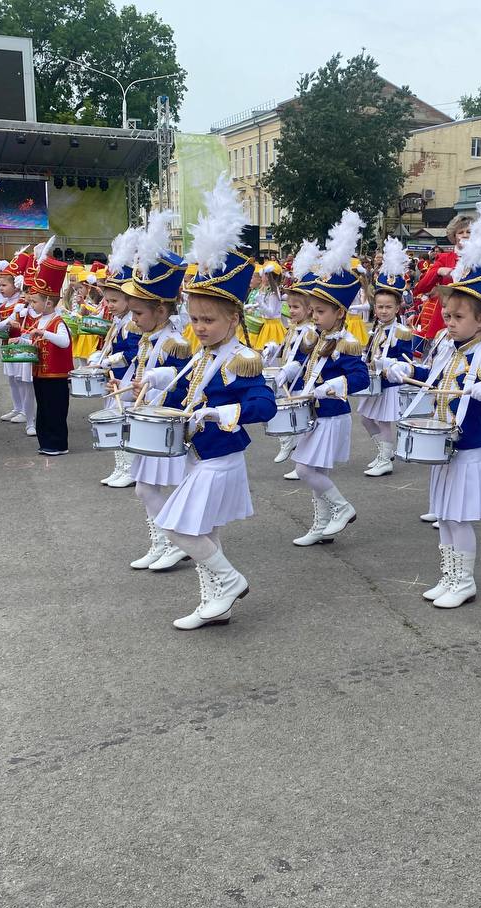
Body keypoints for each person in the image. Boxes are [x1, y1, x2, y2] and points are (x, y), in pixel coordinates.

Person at [385, 202, 481, 608]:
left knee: (460, 518)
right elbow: (427, 376)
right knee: (444, 516)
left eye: (457, 316)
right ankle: (448, 575)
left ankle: (463, 580)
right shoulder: (448, 348)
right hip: (444, 445)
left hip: (469, 449)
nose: (447, 320)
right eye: (446, 314)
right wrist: (400, 367)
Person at [154, 175, 277, 630]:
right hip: (198, 454)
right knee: (206, 532)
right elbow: (180, 397)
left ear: (233, 317)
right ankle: (216, 604)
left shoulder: (241, 358)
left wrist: (222, 413)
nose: (199, 326)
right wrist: (157, 385)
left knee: (179, 529)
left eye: (209, 319)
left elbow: (266, 406)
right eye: (195, 318)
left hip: (220, 458)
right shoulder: (204, 354)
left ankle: (227, 582)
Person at [275, 210, 371, 546]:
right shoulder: (314, 337)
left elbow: (361, 379)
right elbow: (300, 362)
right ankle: (321, 525)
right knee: (316, 473)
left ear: (339, 312)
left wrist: (333, 386)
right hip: (312, 413)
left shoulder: (347, 342)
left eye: (320, 312)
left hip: (331, 414)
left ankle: (342, 508)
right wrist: (286, 372)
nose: (314, 317)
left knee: (305, 470)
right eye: (312, 311)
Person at [119, 210, 193, 571]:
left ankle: (173, 541)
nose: (132, 319)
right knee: (144, 489)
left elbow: (183, 387)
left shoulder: (174, 342)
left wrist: (153, 382)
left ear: (161, 309)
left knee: (155, 489)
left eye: (137, 312)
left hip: (167, 426)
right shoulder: (149, 338)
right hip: (151, 421)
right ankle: (162, 541)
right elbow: (142, 374)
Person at [358, 238, 415, 478]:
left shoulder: (401, 331)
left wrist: (385, 363)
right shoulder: (376, 327)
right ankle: (385, 451)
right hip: (375, 382)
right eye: (380, 306)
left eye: (388, 307)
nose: (383, 311)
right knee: (365, 418)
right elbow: (370, 350)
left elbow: (407, 359)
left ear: (397, 308)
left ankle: (385, 458)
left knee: (383, 422)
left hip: (390, 383)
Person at [95, 228, 144, 486]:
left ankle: (130, 470)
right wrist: (99, 356)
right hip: (117, 381)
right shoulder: (119, 321)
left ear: (128, 299)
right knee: (116, 421)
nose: (110, 305)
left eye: (115, 300)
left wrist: (108, 362)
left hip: (128, 380)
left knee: (125, 423)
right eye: (108, 300)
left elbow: (133, 354)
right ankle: (119, 466)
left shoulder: (133, 324)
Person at [268, 241, 320, 474]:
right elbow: (288, 348)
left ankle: (300, 461)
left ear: (309, 309)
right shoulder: (294, 326)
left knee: (299, 422)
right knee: (286, 416)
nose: (291, 310)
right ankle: (287, 445)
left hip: (300, 381)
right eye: (289, 306)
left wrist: (290, 368)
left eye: (296, 307)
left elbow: (304, 355)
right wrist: (274, 349)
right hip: (287, 376)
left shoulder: (310, 331)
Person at [22, 248, 73, 456]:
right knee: (42, 407)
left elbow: (64, 342)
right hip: (40, 373)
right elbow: (33, 335)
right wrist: (23, 339)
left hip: (56, 374)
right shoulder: (39, 319)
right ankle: (46, 441)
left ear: (49, 303)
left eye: (35, 301)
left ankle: (58, 443)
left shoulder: (57, 321)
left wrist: (44, 333)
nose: (31, 304)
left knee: (55, 409)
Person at [0, 250, 36, 431]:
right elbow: (1, 325)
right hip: (8, 345)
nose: (0, 288)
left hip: (21, 346)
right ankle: (18, 408)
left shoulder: (22, 304)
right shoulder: (6, 305)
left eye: (4, 285)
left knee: (22, 380)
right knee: (12, 379)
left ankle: (26, 411)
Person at [411, 215, 472, 345]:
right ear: (454, 236)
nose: (465, 235)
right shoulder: (444, 258)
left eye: (469, 232)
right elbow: (421, 288)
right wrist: (438, 271)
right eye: (460, 232)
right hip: (446, 319)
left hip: (472, 318)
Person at [249, 262, 286, 351]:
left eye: (263, 275)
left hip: (272, 327)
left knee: (269, 352)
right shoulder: (268, 290)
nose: (261, 277)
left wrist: (260, 302)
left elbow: (271, 313)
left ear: (268, 276)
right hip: (267, 324)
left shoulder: (273, 292)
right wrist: (253, 306)